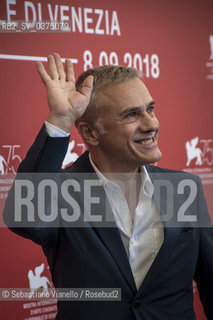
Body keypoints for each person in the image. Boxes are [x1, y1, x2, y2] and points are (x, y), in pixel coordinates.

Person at [3, 53, 213, 320]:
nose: (152, 124)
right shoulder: (59, 192)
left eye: (150, 109)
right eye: (132, 115)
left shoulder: (185, 189)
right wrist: (60, 120)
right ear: (91, 133)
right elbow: (24, 218)